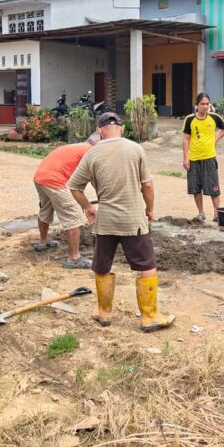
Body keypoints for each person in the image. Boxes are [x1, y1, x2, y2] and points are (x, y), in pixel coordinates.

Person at [68, 112, 175, 332]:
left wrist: (88, 207)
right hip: (133, 220)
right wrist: (150, 209)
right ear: (122, 128)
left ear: (99, 130)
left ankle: (104, 312)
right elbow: (147, 186)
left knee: (102, 265)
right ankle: (149, 316)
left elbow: (74, 186)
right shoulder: (135, 149)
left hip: (106, 221)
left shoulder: (92, 154)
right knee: (146, 265)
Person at [32, 136, 97, 269]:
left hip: (41, 177)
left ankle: (43, 242)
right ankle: (74, 258)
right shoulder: (90, 151)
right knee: (74, 216)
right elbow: (93, 179)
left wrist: (79, 199)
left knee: (45, 209)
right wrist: (86, 204)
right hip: (55, 180)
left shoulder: (77, 147)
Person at [182, 92, 224, 222]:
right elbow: (186, 139)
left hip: (209, 158)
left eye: (207, 104)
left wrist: (216, 138)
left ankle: (217, 213)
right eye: (202, 104)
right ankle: (201, 213)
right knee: (196, 188)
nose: (205, 106)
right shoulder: (190, 119)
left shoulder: (214, 117)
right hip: (194, 159)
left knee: (214, 188)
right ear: (196, 105)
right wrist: (185, 158)